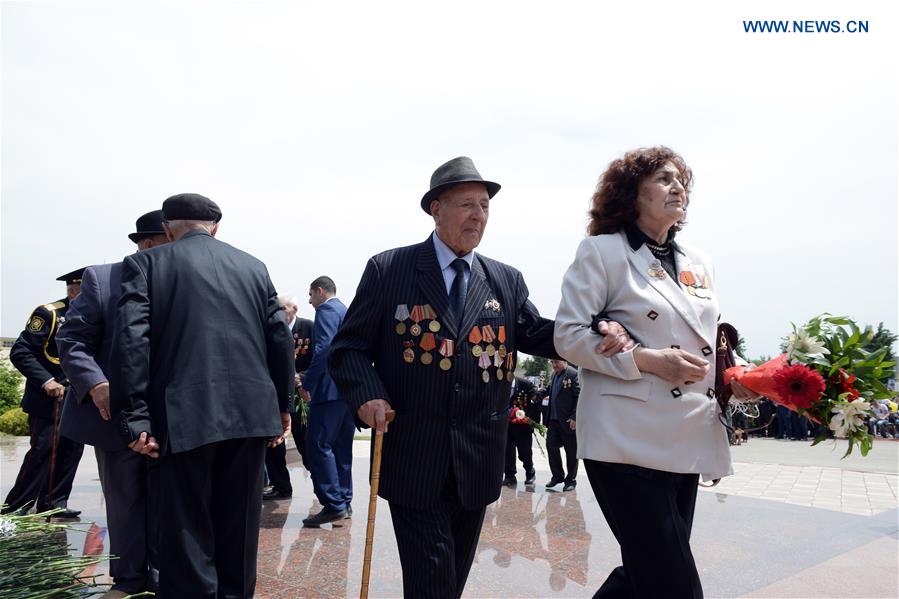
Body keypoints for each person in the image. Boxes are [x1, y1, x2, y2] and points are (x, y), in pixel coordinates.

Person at [329, 156, 631, 598]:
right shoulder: (389, 270)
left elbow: (537, 333)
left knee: (451, 577)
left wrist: (596, 326)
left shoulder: (504, 280)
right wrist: (368, 395)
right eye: (467, 204)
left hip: (477, 458)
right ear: (436, 208)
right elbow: (349, 348)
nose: (478, 215)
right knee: (432, 578)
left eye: (485, 206)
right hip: (413, 453)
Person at [554, 146, 754, 598]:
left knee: (648, 573)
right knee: (674, 582)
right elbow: (567, 335)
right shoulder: (602, 252)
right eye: (664, 178)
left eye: (681, 179)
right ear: (631, 193)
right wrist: (646, 359)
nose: (678, 186)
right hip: (623, 438)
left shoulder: (699, 262)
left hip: (685, 439)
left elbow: (708, 341)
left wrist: (741, 378)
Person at [110, 193, 294, 598]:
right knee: (240, 530)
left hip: (182, 418)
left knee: (185, 534)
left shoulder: (145, 264)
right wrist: (282, 405)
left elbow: (130, 344)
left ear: (167, 228)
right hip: (250, 416)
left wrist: (135, 418)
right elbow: (278, 339)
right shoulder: (253, 266)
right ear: (215, 227)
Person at [57, 210, 168, 597]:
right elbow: (71, 341)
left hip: (171, 413)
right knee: (125, 500)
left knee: (171, 500)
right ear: (152, 243)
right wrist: (94, 382)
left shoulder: (181, 277)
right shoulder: (102, 279)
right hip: (114, 413)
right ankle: (130, 579)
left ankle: (167, 574)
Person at [2, 268, 86, 518]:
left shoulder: (93, 316)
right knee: (43, 451)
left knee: (71, 451)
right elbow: (20, 352)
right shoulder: (49, 314)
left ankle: (55, 502)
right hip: (48, 397)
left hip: (78, 396)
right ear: (73, 290)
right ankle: (17, 507)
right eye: (86, 290)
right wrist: (46, 380)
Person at [302, 276, 352, 527]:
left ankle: (333, 504)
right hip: (346, 391)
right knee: (342, 448)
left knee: (319, 446)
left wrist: (307, 383)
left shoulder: (326, 310)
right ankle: (344, 499)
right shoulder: (345, 309)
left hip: (328, 391)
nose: (310, 301)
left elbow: (323, 350)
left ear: (320, 291)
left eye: (310, 295)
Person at [263, 294, 315, 500]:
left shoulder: (308, 327)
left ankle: (321, 485)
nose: (279, 313)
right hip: (277, 397)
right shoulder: (270, 329)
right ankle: (281, 486)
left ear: (294, 308)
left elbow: (321, 357)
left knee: (305, 441)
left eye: (282, 308)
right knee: (275, 444)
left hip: (302, 395)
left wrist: (302, 378)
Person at [545, 359, 580, 491]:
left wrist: (574, 417)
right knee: (551, 446)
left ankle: (570, 480)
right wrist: (537, 394)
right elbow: (549, 390)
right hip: (553, 420)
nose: (554, 365)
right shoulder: (554, 374)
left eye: (556, 362)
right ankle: (557, 475)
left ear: (565, 361)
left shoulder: (573, 374)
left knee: (571, 452)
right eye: (552, 363)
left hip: (568, 421)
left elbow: (579, 396)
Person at [503, 375, 540, 487]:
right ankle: (510, 476)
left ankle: (530, 472)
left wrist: (530, 420)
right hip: (506, 424)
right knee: (508, 451)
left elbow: (536, 402)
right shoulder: (501, 382)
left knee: (524, 453)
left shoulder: (526, 384)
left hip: (523, 425)